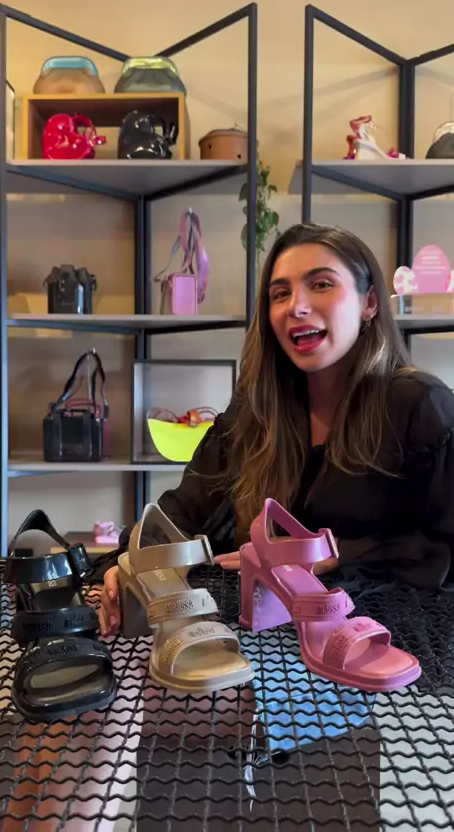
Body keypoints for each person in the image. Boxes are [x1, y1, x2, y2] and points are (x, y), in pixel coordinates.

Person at [100, 221, 454, 636]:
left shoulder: (421, 405)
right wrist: (136, 559)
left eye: (321, 285)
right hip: (258, 634)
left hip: (387, 641)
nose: (296, 307)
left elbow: (443, 553)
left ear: (369, 302)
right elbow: (185, 508)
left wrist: (335, 553)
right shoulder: (255, 407)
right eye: (280, 293)